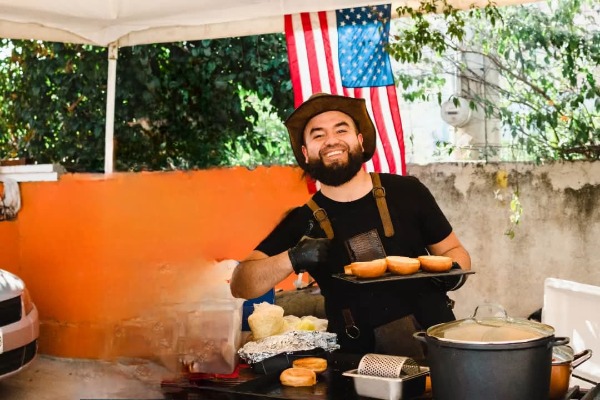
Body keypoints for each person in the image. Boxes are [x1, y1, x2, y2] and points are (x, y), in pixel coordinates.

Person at [230, 93, 471, 354]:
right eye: (318, 135)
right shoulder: (303, 221)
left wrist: (452, 275)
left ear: (360, 140)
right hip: (357, 359)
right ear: (306, 153)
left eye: (341, 130)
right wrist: (293, 258)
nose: (331, 140)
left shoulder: (408, 191)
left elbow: (454, 251)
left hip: (437, 344)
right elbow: (241, 284)